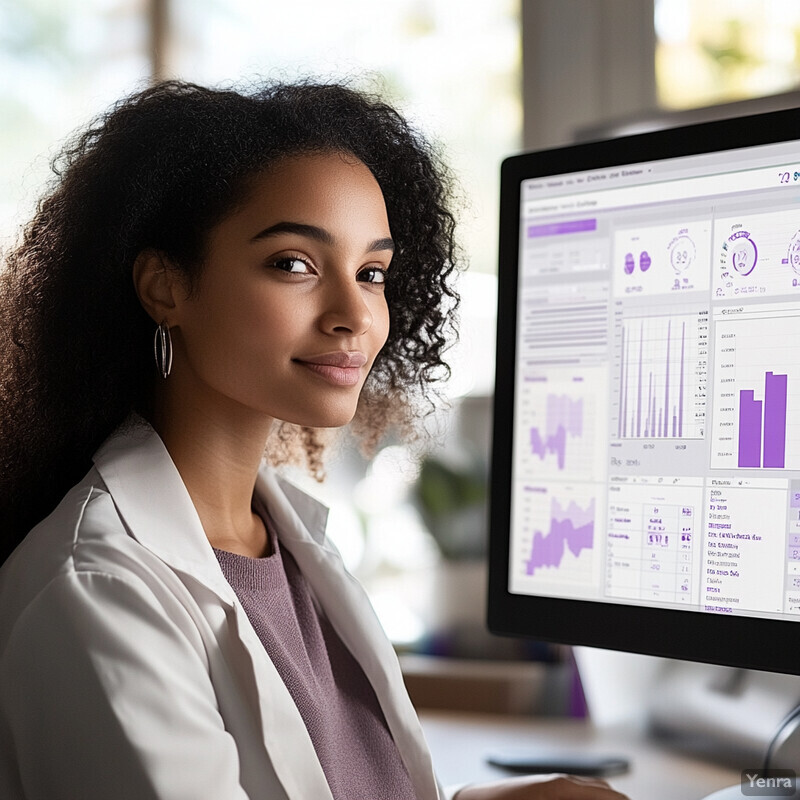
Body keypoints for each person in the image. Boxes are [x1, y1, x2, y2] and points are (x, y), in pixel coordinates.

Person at [0, 79, 629, 800]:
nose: (354, 314)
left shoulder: (287, 542)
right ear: (164, 288)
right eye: (294, 263)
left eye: (371, 273)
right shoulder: (98, 595)